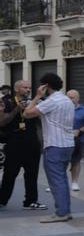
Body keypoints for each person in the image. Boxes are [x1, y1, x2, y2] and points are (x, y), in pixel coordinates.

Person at [20, 73, 75, 222]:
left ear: (45, 86)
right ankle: (66, 211)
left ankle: (61, 213)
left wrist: (37, 97)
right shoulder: (67, 100)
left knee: (56, 181)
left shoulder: (51, 101)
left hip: (54, 145)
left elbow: (26, 113)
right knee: (62, 179)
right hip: (68, 144)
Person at [0, 80, 45, 210]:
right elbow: (2, 122)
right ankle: (2, 199)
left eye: (29, 88)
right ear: (17, 89)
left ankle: (30, 201)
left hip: (31, 142)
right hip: (14, 142)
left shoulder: (34, 102)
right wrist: (17, 110)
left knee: (32, 173)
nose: (28, 90)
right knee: (10, 173)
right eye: (25, 88)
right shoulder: (7, 102)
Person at [66, 89, 84, 192]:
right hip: (62, 140)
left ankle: (74, 182)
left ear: (78, 99)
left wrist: (79, 130)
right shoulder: (61, 108)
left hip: (78, 140)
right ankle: (57, 183)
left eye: (72, 97)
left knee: (76, 161)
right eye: (68, 97)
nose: (70, 99)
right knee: (61, 162)